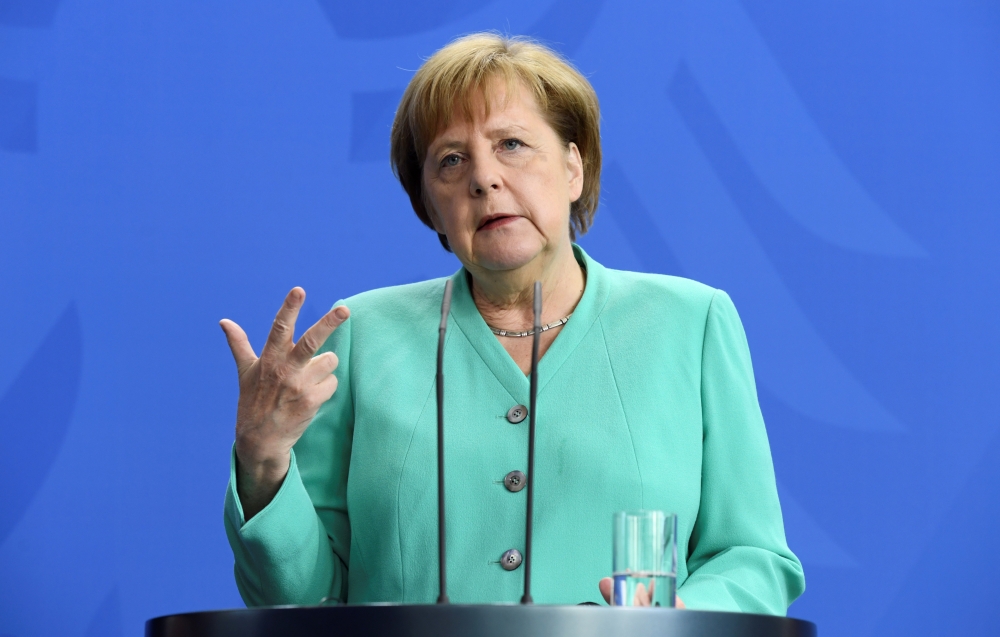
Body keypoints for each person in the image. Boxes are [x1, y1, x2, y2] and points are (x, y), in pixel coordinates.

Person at [220, 33, 805, 612]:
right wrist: (263, 463)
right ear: (431, 209)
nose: (484, 178)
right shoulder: (361, 337)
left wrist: (679, 623)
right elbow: (302, 601)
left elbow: (751, 559)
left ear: (573, 168)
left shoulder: (691, 324)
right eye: (451, 160)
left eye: (513, 145)